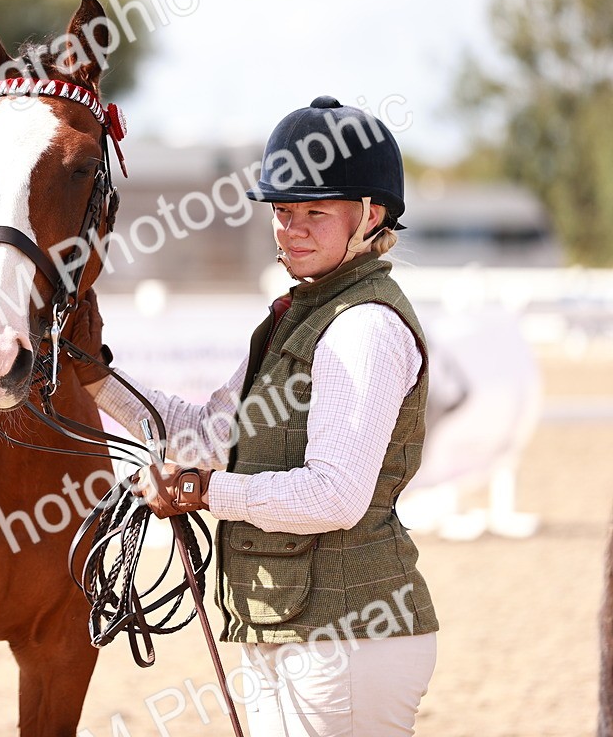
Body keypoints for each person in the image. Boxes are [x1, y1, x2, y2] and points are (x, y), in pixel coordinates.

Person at [70, 95, 438, 736]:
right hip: (293, 629)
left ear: (370, 216)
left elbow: (336, 496)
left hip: (346, 641)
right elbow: (202, 433)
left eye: (314, 213)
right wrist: (97, 377)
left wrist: (205, 492)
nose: (291, 229)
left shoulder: (364, 329)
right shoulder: (297, 318)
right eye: (283, 212)